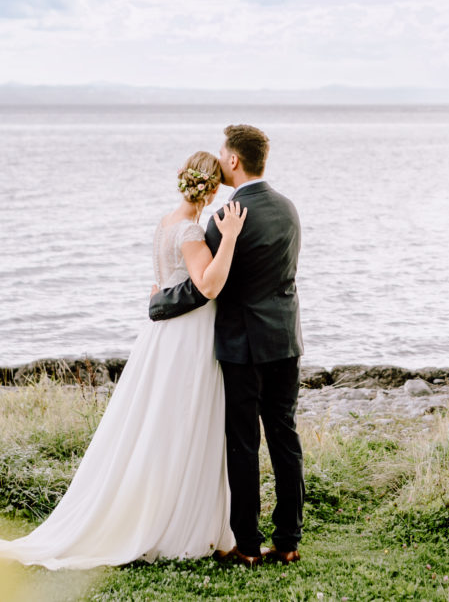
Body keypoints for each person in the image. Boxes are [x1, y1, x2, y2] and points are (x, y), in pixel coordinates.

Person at [0, 151, 246, 570]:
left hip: (163, 335)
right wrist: (233, 236)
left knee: (161, 422)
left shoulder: (166, 222)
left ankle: (175, 513)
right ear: (211, 187)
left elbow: (160, 284)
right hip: (186, 337)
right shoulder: (189, 231)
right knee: (181, 421)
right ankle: (176, 522)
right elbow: (207, 285)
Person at [149, 124, 305, 567]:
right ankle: (289, 540)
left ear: (234, 161)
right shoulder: (288, 209)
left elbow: (202, 287)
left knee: (243, 445)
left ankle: (249, 546)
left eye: (222, 152)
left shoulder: (227, 217)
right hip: (286, 342)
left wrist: (157, 302)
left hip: (242, 348)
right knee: (285, 438)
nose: (219, 159)